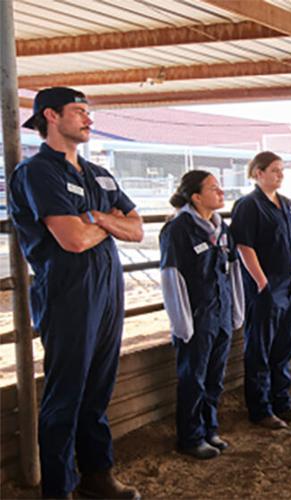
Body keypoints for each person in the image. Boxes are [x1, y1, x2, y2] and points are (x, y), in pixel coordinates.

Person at [8, 87, 143, 499]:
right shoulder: (38, 172)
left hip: (106, 288)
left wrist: (97, 217)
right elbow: (72, 240)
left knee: (99, 387)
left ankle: (97, 475)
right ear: (51, 115)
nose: (89, 119)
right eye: (79, 111)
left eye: (89, 112)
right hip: (68, 292)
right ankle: (59, 488)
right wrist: (108, 223)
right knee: (66, 392)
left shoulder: (98, 172)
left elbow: (136, 229)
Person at [160, 171, 244, 460]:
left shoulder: (221, 228)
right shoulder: (178, 228)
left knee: (214, 377)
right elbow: (171, 276)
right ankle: (190, 436)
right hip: (195, 318)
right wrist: (182, 322)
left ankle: (210, 428)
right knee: (193, 378)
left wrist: (236, 310)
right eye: (214, 188)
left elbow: (233, 269)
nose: (221, 193)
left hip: (219, 313)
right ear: (196, 197)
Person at [230, 151, 291, 429]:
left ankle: (282, 402)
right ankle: (261, 408)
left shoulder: (286, 203)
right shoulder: (248, 205)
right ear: (258, 173)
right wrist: (262, 282)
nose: (280, 174)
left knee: (284, 346)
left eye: (281, 170)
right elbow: (244, 246)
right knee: (260, 349)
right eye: (274, 170)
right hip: (268, 287)